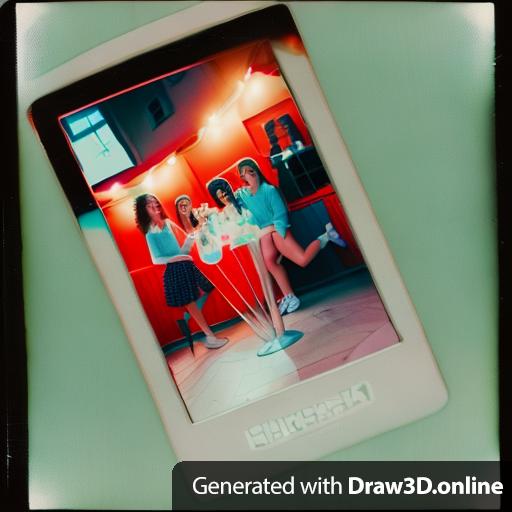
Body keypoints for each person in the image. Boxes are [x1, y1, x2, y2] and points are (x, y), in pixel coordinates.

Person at [235, 158, 347, 315]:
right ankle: (289, 296)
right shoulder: (244, 196)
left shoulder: (269, 190)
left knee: (302, 260)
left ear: (256, 171)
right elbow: (246, 214)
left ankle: (326, 236)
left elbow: (280, 214)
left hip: (277, 230)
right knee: (269, 263)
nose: (247, 176)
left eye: (250, 172)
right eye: (243, 174)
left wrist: (277, 234)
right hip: (264, 234)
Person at [134, 193, 228, 349]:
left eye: (155, 202)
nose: (154, 205)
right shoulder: (149, 233)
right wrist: (175, 258)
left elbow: (185, 244)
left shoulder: (168, 223)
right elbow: (156, 259)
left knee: (206, 288)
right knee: (190, 302)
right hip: (174, 270)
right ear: (143, 209)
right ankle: (210, 337)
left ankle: (186, 317)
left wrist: (192, 237)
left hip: (186, 264)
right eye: (149, 204)